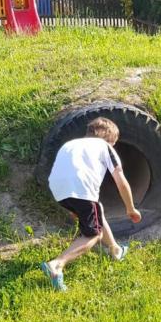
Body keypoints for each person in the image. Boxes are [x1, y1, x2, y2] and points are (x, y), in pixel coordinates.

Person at [41, 117, 141, 291]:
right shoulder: (105, 146)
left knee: (97, 210)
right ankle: (57, 264)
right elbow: (121, 181)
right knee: (93, 235)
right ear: (110, 139)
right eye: (114, 143)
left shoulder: (70, 144)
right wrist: (130, 208)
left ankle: (115, 249)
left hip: (58, 190)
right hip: (81, 188)